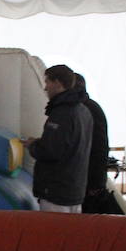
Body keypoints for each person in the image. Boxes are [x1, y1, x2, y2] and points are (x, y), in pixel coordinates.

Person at [23, 65, 92, 214]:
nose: (45, 88)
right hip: (75, 189)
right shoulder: (83, 111)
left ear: (58, 83)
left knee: (53, 235)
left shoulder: (62, 113)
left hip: (56, 191)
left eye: (48, 82)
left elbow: (51, 151)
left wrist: (33, 145)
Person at [73, 74, 112, 213]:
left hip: (88, 181)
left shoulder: (87, 110)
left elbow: (99, 148)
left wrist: (95, 183)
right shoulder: (87, 108)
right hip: (85, 179)